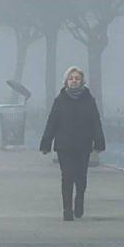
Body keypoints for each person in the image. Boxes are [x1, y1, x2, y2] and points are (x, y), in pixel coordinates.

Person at [40, 66, 106, 221]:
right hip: (64, 146)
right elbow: (52, 123)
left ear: (82, 81)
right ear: (66, 82)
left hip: (83, 145)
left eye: (77, 78)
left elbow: (96, 122)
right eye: (71, 78)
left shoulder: (89, 100)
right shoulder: (60, 100)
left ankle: (79, 200)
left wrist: (99, 142)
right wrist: (46, 143)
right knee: (67, 176)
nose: (74, 81)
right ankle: (67, 209)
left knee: (81, 177)